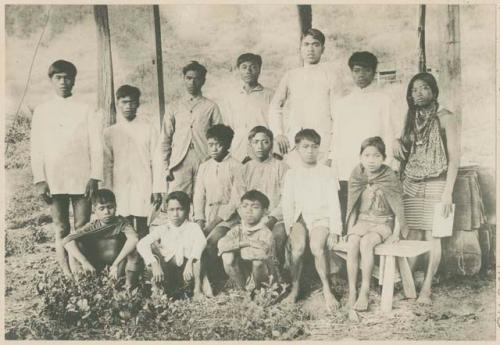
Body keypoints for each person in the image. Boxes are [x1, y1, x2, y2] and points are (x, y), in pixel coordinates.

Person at [30, 60, 103, 277]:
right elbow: (37, 147)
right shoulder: (42, 111)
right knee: (61, 227)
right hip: (54, 178)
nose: (63, 82)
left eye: (67, 78)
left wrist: (95, 176)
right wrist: (39, 179)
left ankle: (80, 269)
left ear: (74, 80)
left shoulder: (86, 109)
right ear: (51, 81)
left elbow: (96, 145)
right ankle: (65, 272)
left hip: (81, 176)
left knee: (81, 226)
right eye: (58, 78)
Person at [394, 72, 459, 304]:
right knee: (410, 234)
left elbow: (454, 159)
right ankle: (409, 284)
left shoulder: (446, 118)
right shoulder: (411, 117)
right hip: (411, 182)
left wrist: (447, 192)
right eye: (413, 90)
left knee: (434, 237)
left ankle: (427, 289)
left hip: (438, 183)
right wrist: (396, 141)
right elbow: (403, 149)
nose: (418, 93)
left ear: (434, 91)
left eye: (423, 88)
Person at [327, 51, 397, 234]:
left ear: (374, 73)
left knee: (371, 215)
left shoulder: (384, 101)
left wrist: (386, 167)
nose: (361, 75)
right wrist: (334, 165)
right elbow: (337, 137)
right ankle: (346, 257)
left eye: (366, 70)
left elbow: (389, 134)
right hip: (347, 169)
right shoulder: (342, 104)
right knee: (348, 213)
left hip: (374, 169)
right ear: (351, 72)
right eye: (356, 70)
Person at [281, 129, 343, 311]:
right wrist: (289, 228)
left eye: (314, 147)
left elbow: (334, 204)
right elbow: (287, 204)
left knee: (317, 247)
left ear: (319, 149)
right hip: (299, 218)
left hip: (320, 218)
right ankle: (295, 287)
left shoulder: (327, 172)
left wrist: (335, 230)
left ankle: (327, 289)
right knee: (298, 248)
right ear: (297, 150)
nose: (310, 151)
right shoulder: (292, 174)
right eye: (305, 147)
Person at [345, 137, 408, 311]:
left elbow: (397, 207)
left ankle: (364, 290)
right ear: (360, 157)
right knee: (352, 243)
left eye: (376, 155)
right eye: (367, 155)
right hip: (363, 220)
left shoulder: (389, 176)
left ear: (384, 158)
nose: (371, 160)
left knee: (366, 242)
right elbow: (353, 206)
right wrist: (350, 230)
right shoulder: (357, 175)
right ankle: (352, 291)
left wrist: (396, 233)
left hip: (383, 222)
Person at [103, 85, 163, 238]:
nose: (128, 106)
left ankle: (144, 259)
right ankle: (127, 259)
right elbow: (107, 163)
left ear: (138, 104)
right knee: (123, 224)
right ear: (118, 103)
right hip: (120, 184)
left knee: (143, 225)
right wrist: (107, 189)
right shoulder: (110, 132)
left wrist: (157, 188)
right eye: (124, 102)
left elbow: (157, 159)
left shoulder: (148, 129)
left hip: (143, 182)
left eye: (132, 102)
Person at [269, 28, 335, 167]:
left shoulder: (330, 76)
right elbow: (275, 106)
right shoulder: (291, 75)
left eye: (315, 44)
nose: (310, 49)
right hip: (295, 142)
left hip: (322, 143)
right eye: (306, 44)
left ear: (323, 49)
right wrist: (279, 133)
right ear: (300, 48)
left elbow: (338, 114)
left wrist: (332, 150)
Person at [193, 124, 245, 291]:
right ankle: (204, 282)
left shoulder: (236, 166)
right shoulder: (204, 167)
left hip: (229, 219)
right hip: (209, 214)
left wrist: (213, 223)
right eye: (210, 144)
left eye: (218, 144)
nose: (214, 148)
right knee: (195, 241)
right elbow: (199, 195)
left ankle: (221, 281)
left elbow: (237, 200)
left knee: (210, 243)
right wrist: (200, 220)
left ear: (227, 144)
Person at [160, 61, 223, 197]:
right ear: (184, 79)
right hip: (180, 160)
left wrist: (217, 163)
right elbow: (165, 138)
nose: (192, 82)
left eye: (197, 78)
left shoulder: (211, 106)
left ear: (203, 81)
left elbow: (220, 137)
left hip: (204, 158)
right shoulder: (174, 106)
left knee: (203, 198)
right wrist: (165, 166)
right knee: (178, 199)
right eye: (188, 78)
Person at [137, 191, 207, 299]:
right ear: (167, 211)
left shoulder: (193, 227)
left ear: (188, 210)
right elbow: (141, 244)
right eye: (171, 210)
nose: (175, 214)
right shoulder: (163, 228)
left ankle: (197, 291)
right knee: (151, 253)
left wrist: (190, 262)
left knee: (196, 259)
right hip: (168, 272)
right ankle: (158, 292)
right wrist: (154, 263)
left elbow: (201, 242)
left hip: (187, 273)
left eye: (180, 209)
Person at [63, 189, 139, 287]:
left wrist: (116, 264)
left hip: (117, 264)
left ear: (116, 207)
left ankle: (128, 286)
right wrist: (84, 262)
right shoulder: (93, 225)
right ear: (95, 210)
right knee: (74, 247)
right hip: (96, 264)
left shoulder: (122, 223)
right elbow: (66, 241)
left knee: (134, 250)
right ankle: (80, 284)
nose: (106, 212)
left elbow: (134, 239)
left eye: (110, 207)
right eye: (101, 208)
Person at [242, 126, 288, 270]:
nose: (260, 147)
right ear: (250, 144)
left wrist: (272, 218)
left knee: (277, 235)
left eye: (265, 142)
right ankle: (254, 275)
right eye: (256, 142)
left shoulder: (281, 167)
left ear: (271, 143)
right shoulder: (245, 168)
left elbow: (286, 199)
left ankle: (277, 274)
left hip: (276, 218)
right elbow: (240, 199)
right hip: (251, 218)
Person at [221, 53, 274, 162]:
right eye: (244, 67)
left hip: (261, 149)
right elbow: (227, 125)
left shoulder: (270, 95)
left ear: (259, 70)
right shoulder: (231, 96)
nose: (248, 71)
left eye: (253, 67)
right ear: (238, 70)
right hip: (237, 149)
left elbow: (276, 125)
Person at [218, 190, 276, 290]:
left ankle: (259, 291)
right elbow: (221, 245)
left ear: (265, 211)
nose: (249, 211)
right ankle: (243, 290)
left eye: (255, 207)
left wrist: (236, 247)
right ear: (240, 210)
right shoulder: (237, 230)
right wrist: (247, 243)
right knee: (227, 256)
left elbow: (260, 254)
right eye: (245, 206)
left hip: (265, 276)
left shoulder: (266, 233)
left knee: (257, 262)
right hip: (244, 274)